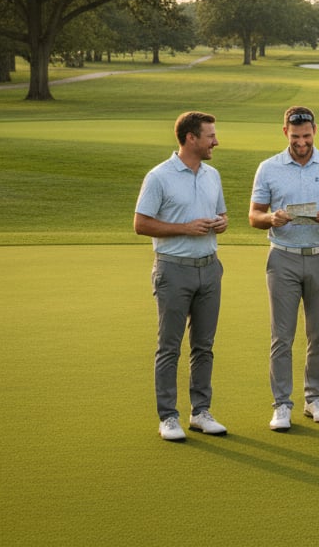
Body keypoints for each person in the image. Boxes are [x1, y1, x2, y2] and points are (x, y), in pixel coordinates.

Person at [249, 106, 319, 432]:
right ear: (285, 133)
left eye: (306, 136)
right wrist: (271, 218)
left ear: (315, 131)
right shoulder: (268, 168)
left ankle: (314, 399)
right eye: (295, 137)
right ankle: (282, 405)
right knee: (282, 336)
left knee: (318, 335)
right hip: (283, 258)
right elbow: (254, 216)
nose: (302, 142)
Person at [134, 111, 229, 442]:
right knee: (169, 347)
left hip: (209, 268)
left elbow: (222, 213)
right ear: (191, 138)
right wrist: (185, 228)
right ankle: (168, 417)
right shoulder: (159, 176)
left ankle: (200, 412)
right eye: (210, 136)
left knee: (204, 346)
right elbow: (141, 223)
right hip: (173, 269)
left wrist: (221, 222)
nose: (216, 141)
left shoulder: (212, 175)